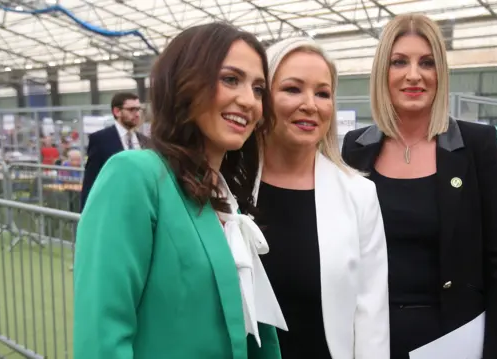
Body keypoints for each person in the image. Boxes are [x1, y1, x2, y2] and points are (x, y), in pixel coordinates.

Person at [73, 22, 286, 359]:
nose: (249, 100)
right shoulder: (135, 175)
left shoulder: (227, 198)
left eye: (259, 88)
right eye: (230, 79)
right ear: (184, 83)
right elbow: (103, 338)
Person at [341, 14, 497, 358]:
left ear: (441, 75)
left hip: (453, 338)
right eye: (399, 62)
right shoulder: (354, 148)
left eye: (427, 62)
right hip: (368, 339)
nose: (413, 75)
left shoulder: (476, 145)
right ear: (382, 73)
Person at [255, 37, 390, 359]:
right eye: (292, 89)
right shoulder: (223, 188)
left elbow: (371, 315)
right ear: (262, 98)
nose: (311, 105)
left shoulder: (359, 194)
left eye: (323, 93)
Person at [79, 92, 148, 211]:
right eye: (131, 109)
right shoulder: (100, 139)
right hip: (113, 208)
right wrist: (86, 215)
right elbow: (91, 179)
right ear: (117, 111)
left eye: (138, 109)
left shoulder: (145, 141)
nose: (137, 114)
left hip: (141, 208)